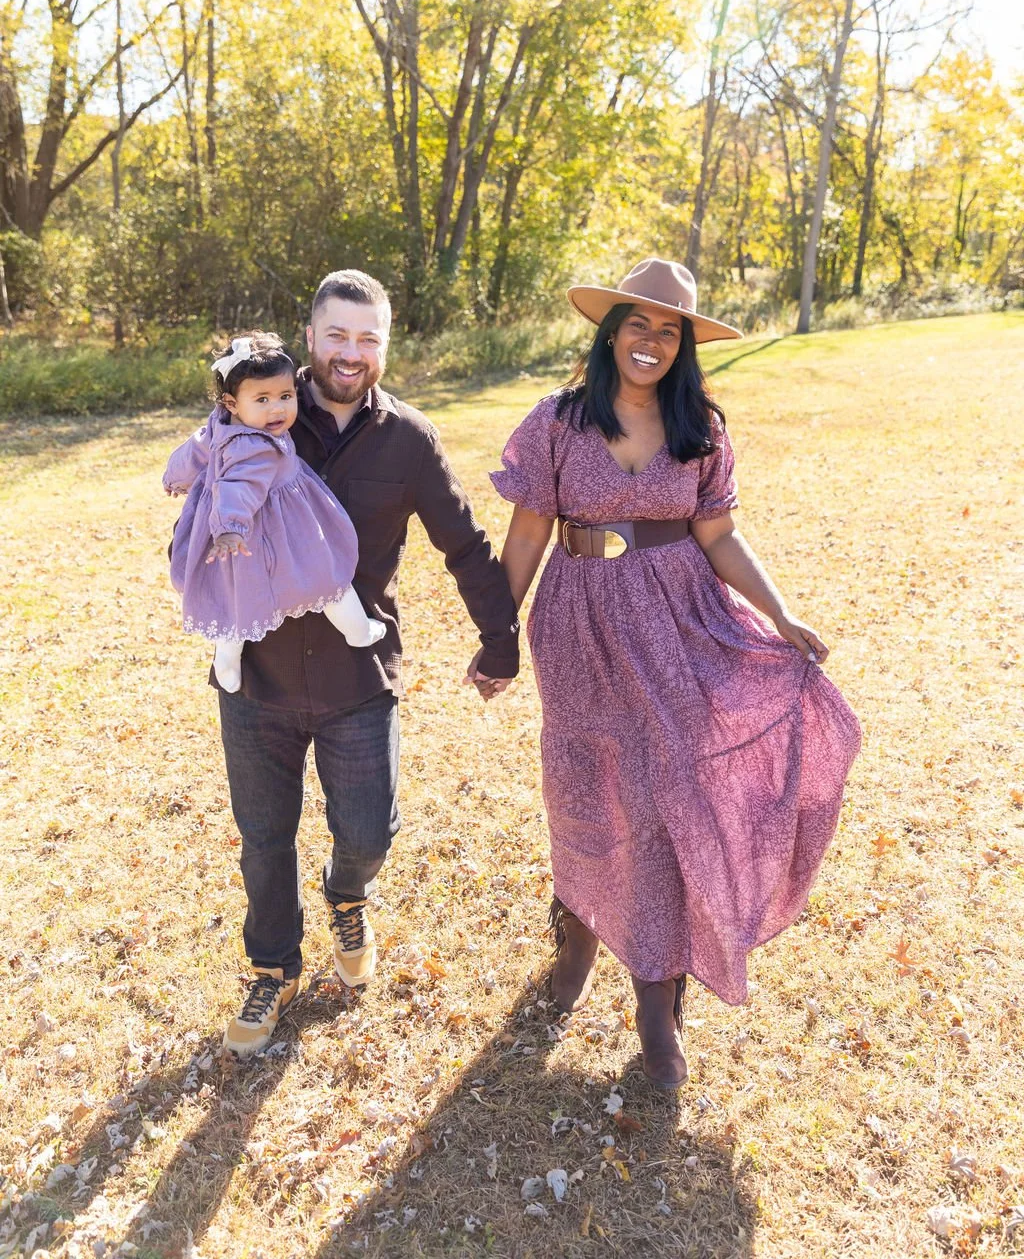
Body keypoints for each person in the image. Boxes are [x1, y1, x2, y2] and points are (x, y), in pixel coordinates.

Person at [490, 257, 861, 1090]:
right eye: (638, 323)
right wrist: (497, 634)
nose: (651, 341)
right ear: (610, 331)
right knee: (584, 789)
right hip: (578, 623)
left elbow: (720, 537)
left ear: (684, 343)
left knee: (666, 803)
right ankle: (579, 932)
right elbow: (525, 537)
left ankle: (657, 1004)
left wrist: (780, 612)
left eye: (669, 329)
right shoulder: (557, 422)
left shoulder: (702, 428)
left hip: (680, 625)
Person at [186, 271, 520, 1058]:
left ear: (385, 345)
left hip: (358, 677)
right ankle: (273, 965)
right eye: (337, 334)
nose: (351, 352)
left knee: (369, 829)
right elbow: (203, 503)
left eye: (368, 338)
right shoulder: (255, 412)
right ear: (309, 338)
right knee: (264, 837)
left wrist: (500, 637)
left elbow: (464, 544)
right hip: (257, 678)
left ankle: (348, 893)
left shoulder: (408, 438)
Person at [163, 331, 386, 694]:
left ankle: (226, 660)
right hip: (262, 525)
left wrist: (174, 476)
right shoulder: (254, 447)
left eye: (285, 396)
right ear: (232, 402)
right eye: (262, 399)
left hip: (236, 530)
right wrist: (232, 527)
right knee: (325, 573)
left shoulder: (220, 424)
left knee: (235, 593)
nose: (277, 410)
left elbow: (195, 450)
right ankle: (358, 630)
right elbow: (240, 487)